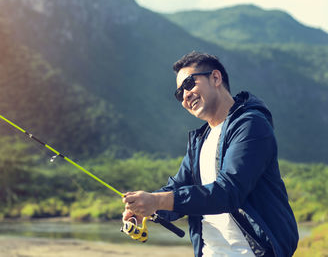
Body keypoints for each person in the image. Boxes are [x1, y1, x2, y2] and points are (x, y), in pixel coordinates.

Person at [122, 51, 299, 256]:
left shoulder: (251, 125)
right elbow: (179, 189)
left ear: (215, 77)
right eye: (180, 94)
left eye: (189, 84)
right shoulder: (200, 140)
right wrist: (146, 209)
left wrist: (157, 201)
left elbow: (228, 192)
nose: (186, 95)